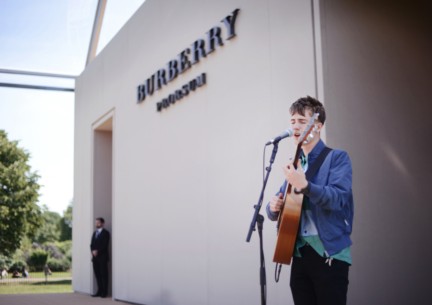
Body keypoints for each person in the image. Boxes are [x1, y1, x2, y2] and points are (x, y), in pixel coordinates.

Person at [266, 96, 354, 305]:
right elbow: (280, 206)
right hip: (299, 254)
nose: (295, 126)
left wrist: (305, 185)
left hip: (328, 252)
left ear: (318, 126)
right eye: (292, 121)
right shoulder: (295, 163)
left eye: (302, 121)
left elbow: (338, 198)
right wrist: (273, 208)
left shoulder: (337, 158)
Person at [90, 217, 110, 298]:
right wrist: (93, 251)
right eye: (96, 222)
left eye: (98, 222)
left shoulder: (106, 233)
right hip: (95, 258)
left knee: (104, 275)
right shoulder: (94, 233)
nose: (96, 224)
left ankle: (104, 292)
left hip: (103, 257)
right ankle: (99, 291)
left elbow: (105, 245)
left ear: (102, 223)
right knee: (97, 275)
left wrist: (97, 251)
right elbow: (91, 244)